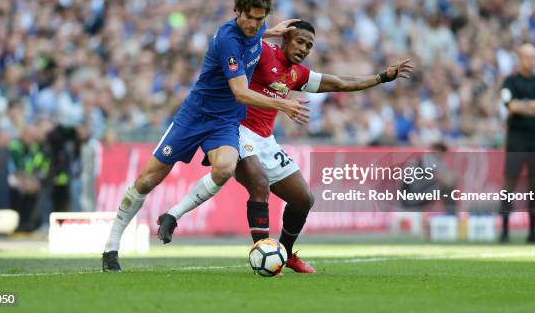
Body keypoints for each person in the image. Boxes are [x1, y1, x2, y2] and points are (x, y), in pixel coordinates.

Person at [158, 20, 413, 272]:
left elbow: (338, 83)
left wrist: (382, 77)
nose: (303, 49)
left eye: (309, 46)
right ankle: (262, 255)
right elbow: (233, 40)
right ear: (286, 39)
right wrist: (264, 32)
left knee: (303, 199)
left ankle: (286, 254)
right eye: (300, 41)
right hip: (237, 130)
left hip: (266, 140)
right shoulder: (263, 53)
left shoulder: (297, 74)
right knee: (258, 185)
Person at [102, 0, 310, 272]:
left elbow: (255, 34)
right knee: (147, 181)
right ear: (237, 12)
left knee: (224, 168)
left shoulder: (256, 32)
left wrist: (270, 30)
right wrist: (283, 105)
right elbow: (240, 92)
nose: (253, 24)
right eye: (249, 17)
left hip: (224, 122)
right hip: (194, 116)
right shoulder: (227, 39)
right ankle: (111, 247)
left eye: (260, 19)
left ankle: (173, 215)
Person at [499, 43, 535, 243]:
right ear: (520, 59)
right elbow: (511, 107)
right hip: (516, 138)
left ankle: (532, 231)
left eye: (534, 57)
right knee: (510, 182)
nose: (531, 61)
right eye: (527, 57)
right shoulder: (510, 82)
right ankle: (504, 230)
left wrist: (525, 105)